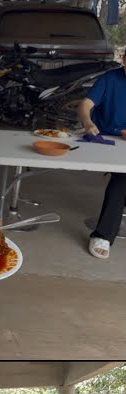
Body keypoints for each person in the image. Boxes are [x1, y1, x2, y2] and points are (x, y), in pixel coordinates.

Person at [80, 49, 126, 259]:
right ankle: (103, 235)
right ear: (124, 60)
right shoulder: (109, 78)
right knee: (123, 179)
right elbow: (85, 105)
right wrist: (88, 122)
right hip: (104, 140)